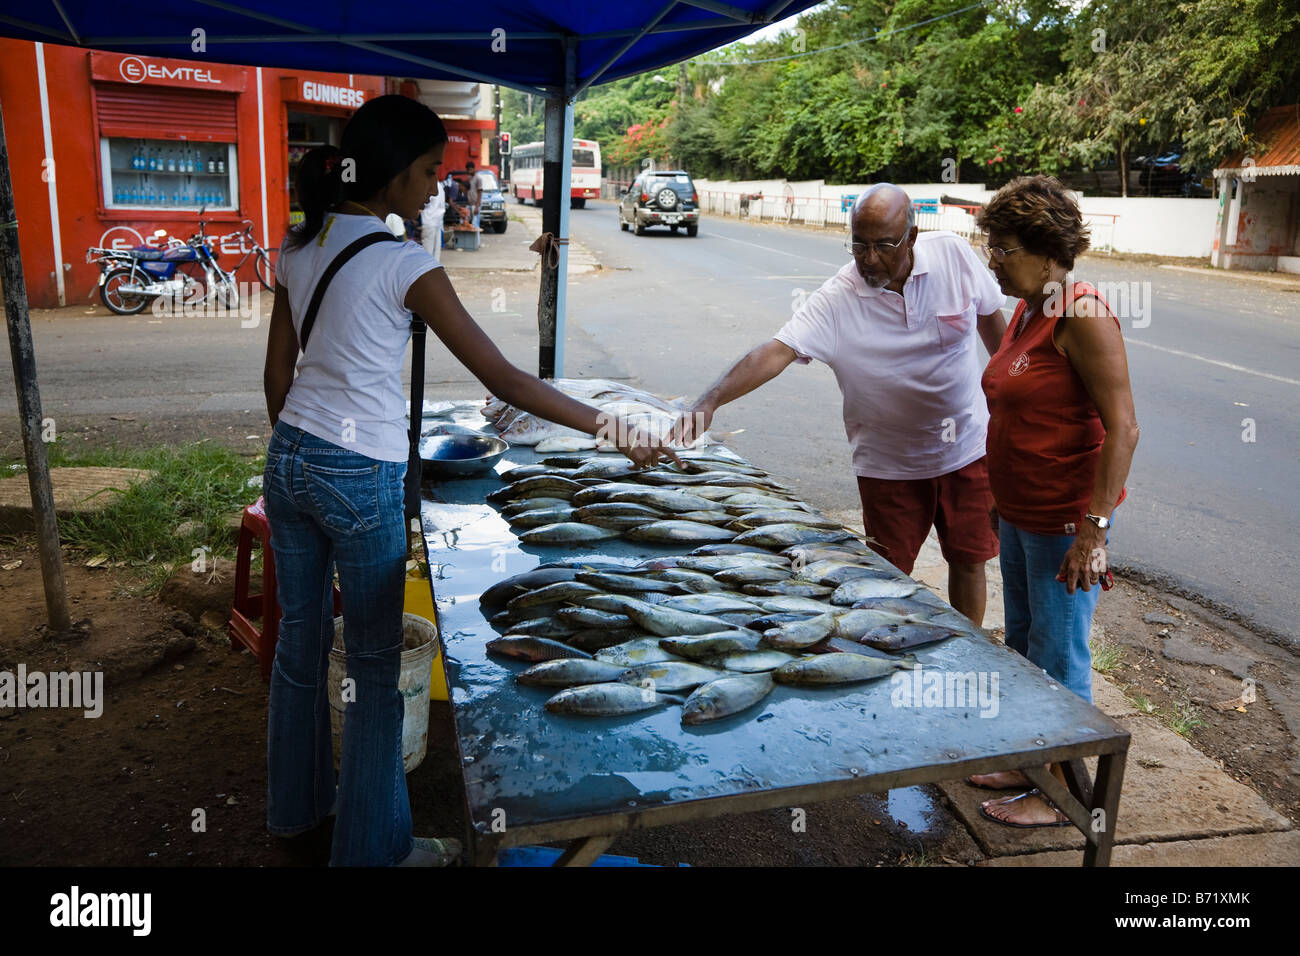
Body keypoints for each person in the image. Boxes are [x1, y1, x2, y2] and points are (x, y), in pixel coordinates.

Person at [262, 94, 677, 866]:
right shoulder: (403, 263)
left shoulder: (299, 247)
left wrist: (306, 447)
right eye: (426, 172)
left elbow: (277, 379)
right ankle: (374, 852)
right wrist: (616, 427)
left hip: (289, 460)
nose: (433, 189)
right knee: (377, 671)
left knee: (300, 645)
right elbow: (505, 378)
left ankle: (294, 816)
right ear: (389, 174)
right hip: (360, 477)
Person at [674, 183, 1007, 626]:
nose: (869, 259)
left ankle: (972, 654)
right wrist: (709, 401)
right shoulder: (837, 297)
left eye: (883, 245)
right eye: (858, 244)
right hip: (888, 464)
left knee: (968, 559)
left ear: (912, 236)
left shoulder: (953, 255)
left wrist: (1009, 392)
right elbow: (777, 351)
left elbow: (990, 318)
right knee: (885, 575)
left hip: (966, 445)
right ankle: (888, 654)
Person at [971, 174, 1139, 827]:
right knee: (1023, 642)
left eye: (1004, 248)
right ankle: (1031, 760)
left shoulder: (1083, 312)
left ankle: (1065, 794)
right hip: (1019, 513)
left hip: (1066, 523)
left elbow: (1122, 427)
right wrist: (998, 497)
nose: (994, 260)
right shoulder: (1029, 307)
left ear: (1047, 250)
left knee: (1061, 654)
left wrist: (1094, 531)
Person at [465, 160, 482, 231]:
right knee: (467, 225)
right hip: (469, 205)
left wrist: (477, 207)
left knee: (475, 226)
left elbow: (480, 193)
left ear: (474, 169)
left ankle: (476, 241)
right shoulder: (469, 178)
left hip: (475, 205)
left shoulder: (478, 178)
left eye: (470, 169)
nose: (469, 171)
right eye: (467, 170)